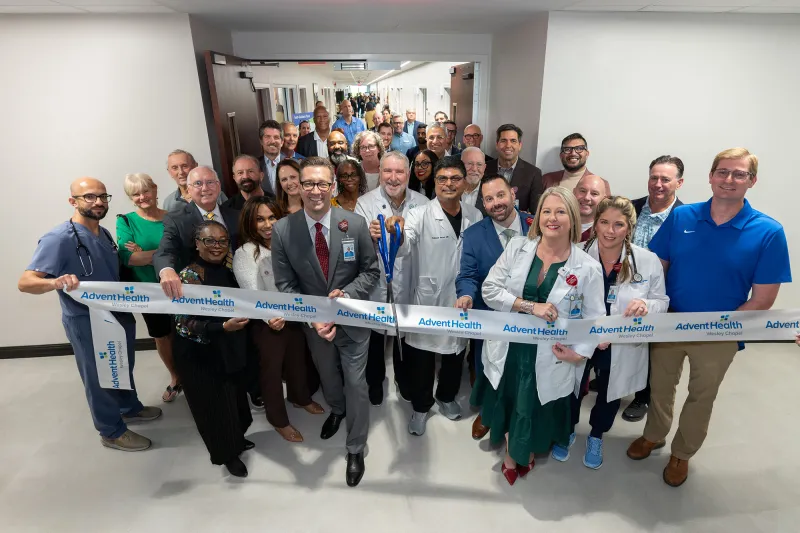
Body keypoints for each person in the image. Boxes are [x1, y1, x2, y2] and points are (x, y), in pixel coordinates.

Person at [627, 147, 791, 488]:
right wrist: (647, 302)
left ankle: (681, 454)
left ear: (752, 181)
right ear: (711, 176)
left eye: (739, 174)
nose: (729, 179)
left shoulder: (768, 232)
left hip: (721, 333)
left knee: (701, 395)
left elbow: (763, 299)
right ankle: (654, 434)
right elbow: (660, 267)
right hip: (670, 324)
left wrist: (713, 326)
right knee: (659, 387)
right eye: (723, 172)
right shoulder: (683, 217)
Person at [472, 186, 605, 485]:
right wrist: (529, 306)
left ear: (572, 218)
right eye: (546, 211)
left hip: (551, 353)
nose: (552, 218)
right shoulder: (518, 248)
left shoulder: (587, 267)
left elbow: (594, 318)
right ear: (537, 217)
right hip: (511, 345)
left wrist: (580, 353)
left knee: (532, 404)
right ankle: (511, 450)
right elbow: (490, 290)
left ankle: (524, 451)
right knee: (509, 398)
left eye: (560, 211)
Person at [18, 178, 161, 452]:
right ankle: (111, 430)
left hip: (117, 314)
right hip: (86, 321)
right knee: (98, 376)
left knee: (121, 364)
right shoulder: (59, 238)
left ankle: (128, 406)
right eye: (89, 197)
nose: (98, 202)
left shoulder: (104, 233)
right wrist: (55, 282)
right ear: (73, 201)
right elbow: (26, 282)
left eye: (103, 196)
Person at [271, 156, 380, 487]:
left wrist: (346, 294)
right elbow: (285, 285)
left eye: (322, 184)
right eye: (308, 184)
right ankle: (336, 409)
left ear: (332, 186)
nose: (315, 191)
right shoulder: (282, 230)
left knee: (356, 384)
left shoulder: (354, 224)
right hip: (315, 326)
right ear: (297, 187)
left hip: (353, 323)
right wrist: (314, 319)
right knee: (329, 377)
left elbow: (371, 271)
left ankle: (356, 447)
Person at [557, 196, 669, 469]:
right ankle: (567, 430)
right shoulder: (575, 254)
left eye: (618, 224)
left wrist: (646, 304)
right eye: (604, 222)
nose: (610, 230)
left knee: (609, 391)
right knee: (570, 388)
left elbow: (661, 302)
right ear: (594, 224)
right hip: (582, 338)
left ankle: (596, 435)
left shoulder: (647, 260)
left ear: (629, 228)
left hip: (619, 343)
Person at [383, 156, 483, 436]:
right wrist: (396, 231)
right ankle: (420, 406)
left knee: (455, 353)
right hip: (428, 299)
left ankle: (447, 397)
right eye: (442, 179)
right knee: (422, 359)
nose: (448, 184)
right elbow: (404, 243)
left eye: (455, 179)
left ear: (464, 183)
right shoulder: (419, 214)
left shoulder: (474, 215)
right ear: (434, 182)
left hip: (462, 298)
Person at [233, 197, 324, 443]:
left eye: (272, 217)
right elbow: (252, 292)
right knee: (271, 373)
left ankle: (300, 397)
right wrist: (270, 316)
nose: (267, 224)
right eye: (259, 219)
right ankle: (278, 420)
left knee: (297, 361)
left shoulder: (288, 243)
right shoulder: (245, 253)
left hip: (294, 316)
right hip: (267, 324)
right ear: (250, 223)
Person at [172, 221, 253, 477]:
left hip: (227, 348)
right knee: (214, 407)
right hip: (199, 355)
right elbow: (182, 324)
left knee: (234, 399)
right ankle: (227, 455)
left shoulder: (229, 271)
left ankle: (237, 440)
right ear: (197, 244)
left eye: (222, 241)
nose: (217, 246)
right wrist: (222, 328)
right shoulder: (189, 277)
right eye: (209, 241)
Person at [456, 174, 530, 440]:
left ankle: (518, 415)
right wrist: (465, 295)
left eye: (500, 195)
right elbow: (467, 275)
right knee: (487, 368)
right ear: (483, 203)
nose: (496, 203)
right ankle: (488, 412)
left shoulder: (536, 226)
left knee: (521, 371)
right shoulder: (475, 235)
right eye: (489, 199)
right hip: (489, 316)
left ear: (512, 193)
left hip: (528, 316)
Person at [356, 152, 429, 405]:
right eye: (387, 171)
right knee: (375, 340)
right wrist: (368, 235)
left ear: (408, 175)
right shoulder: (365, 203)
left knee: (404, 338)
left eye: (399, 172)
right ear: (380, 173)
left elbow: (426, 243)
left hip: (410, 280)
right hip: (376, 283)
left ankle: (402, 379)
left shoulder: (422, 202)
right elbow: (354, 246)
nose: (393, 178)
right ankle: (375, 382)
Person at [622, 155, 685, 422]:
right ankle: (617, 382)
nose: (658, 184)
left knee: (651, 349)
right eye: (654, 178)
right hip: (623, 289)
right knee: (619, 338)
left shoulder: (685, 217)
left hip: (659, 294)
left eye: (665, 179)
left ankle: (642, 395)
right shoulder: (630, 208)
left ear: (679, 183)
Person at [116, 173, 178, 403]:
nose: (142, 197)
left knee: (187, 332)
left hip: (179, 285)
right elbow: (130, 259)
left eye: (145, 190)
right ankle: (175, 377)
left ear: (154, 189)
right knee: (162, 336)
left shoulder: (173, 217)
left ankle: (194, 376)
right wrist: (165, 253)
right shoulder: (126, 221)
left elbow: (185, 251)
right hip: (149, 291)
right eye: (136, 194)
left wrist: (145, 253)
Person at [154, 166, 241, 299]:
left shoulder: (237, 215)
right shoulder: (177, 220)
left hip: (239, 288)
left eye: (210, 182)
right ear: (188, 190)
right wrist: (166, 271)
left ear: (218, 186)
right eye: (198, 184)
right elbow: (165, 251)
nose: (205, 188)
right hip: (201, 294)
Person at [484, 124, 544, 213]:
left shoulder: (533, 173)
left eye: (513, 141)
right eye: (503, 140)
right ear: (497, 145)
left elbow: (536, 212)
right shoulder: (485, 168)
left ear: (520, 145)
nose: (508, 145)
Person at [163, 149, 227, 212]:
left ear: (195, 166)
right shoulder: (169, 203)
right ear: (169, 172)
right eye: (175, 168)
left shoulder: (213, 193)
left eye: (185, 166)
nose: (181, 172)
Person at [543, 133, 609, 193]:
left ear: (587, 154)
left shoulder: (601, 184)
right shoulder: (546, 180)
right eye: (567, 149)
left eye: (579, 148)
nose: (573, 153)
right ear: (561, 155)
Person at [574, 173, 611, 242]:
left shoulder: (607, 233)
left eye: (594, 193)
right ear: (574, 192)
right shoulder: (559, 224)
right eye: (582, 191)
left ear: (603, 199)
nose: (586, 197)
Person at [257, 120, 286, 197]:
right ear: (261, 141)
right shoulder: (254, 166)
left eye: (276, 137)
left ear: (282, 142)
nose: (272, 141)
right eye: (267, 137)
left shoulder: (294, 164)